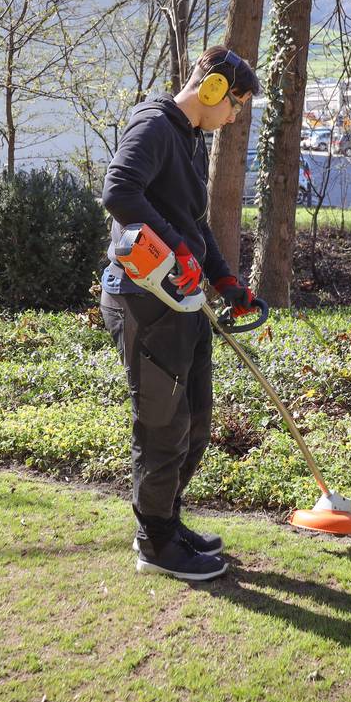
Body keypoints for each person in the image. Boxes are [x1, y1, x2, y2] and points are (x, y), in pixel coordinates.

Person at [100, 46, 260, 581]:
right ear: (213, 89)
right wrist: (174, 250)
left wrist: (225, 279)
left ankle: (166, 520)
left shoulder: (191, 140)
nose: (235, 117)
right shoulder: (153, 126)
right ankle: (155, 542)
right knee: (161, 426)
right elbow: (119, 191)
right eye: (236, 104)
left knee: (195, 423)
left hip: (184, 300)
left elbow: (194, 222)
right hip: (145, 300)